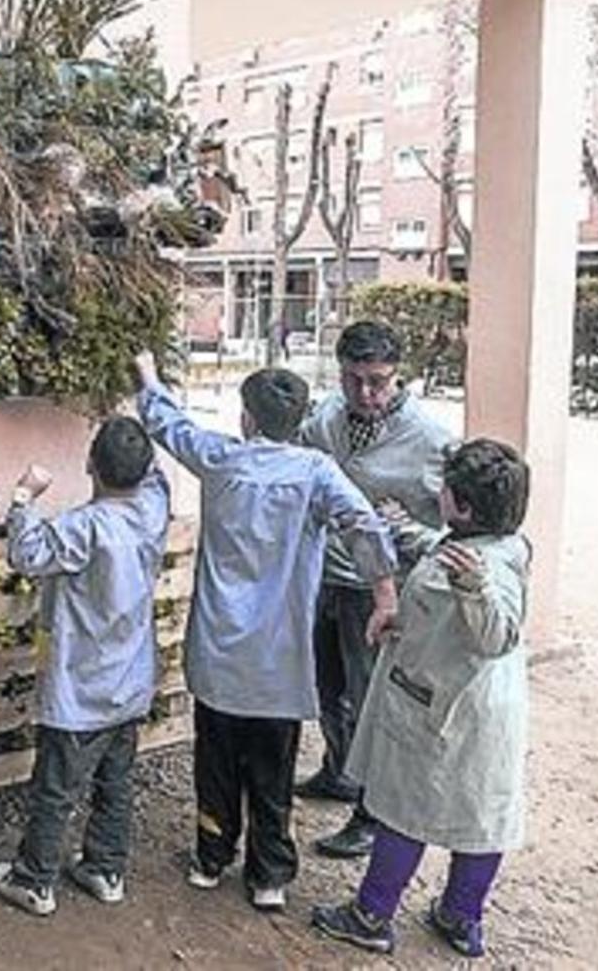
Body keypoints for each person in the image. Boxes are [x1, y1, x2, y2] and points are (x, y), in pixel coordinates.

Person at [133, 351, 397, 913]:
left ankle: (210, 856)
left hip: (220, 654)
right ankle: (269, 875)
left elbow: (168, 425)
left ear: (246, 418)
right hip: (280, 662)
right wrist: (384, 591)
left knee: (216, 763)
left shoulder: (222, 459)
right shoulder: (316, 471)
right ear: (298, 423)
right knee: (274, 774)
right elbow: (362, 524)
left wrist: (149, 374)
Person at [312, 439, 531, 959]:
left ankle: (371, 914)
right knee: (479, 812)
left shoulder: (484, 569)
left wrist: (475, 589)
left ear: (463, 505)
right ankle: (460, 915)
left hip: (446, 707)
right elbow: (445, 554)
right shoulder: (491, 543)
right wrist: (405, 532)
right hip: (474, 709)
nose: (440, 494)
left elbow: (499, 634)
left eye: (447, 490)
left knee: (404, 809)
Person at [0, 416, 171, 917]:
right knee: (115, 785)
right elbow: (157, 478)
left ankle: (34, 880)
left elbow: (26, 553)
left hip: (79, 691)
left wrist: (24, 495)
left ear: (90, 464)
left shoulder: (82, 528)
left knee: (56, 789)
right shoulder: (152, 512)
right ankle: (105, 870)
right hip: (130, 686)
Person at [296, 319, 455, 858]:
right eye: (353, 379)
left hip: (381, 591)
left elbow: (458, 532)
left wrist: (409, 529)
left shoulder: (434, 441)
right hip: (323, 576)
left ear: (399, 377)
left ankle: (370, 813)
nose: (365, 393)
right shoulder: (323, 419)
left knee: (371, 702)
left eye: (379, 381)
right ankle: (339, 771)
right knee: (324, 688)